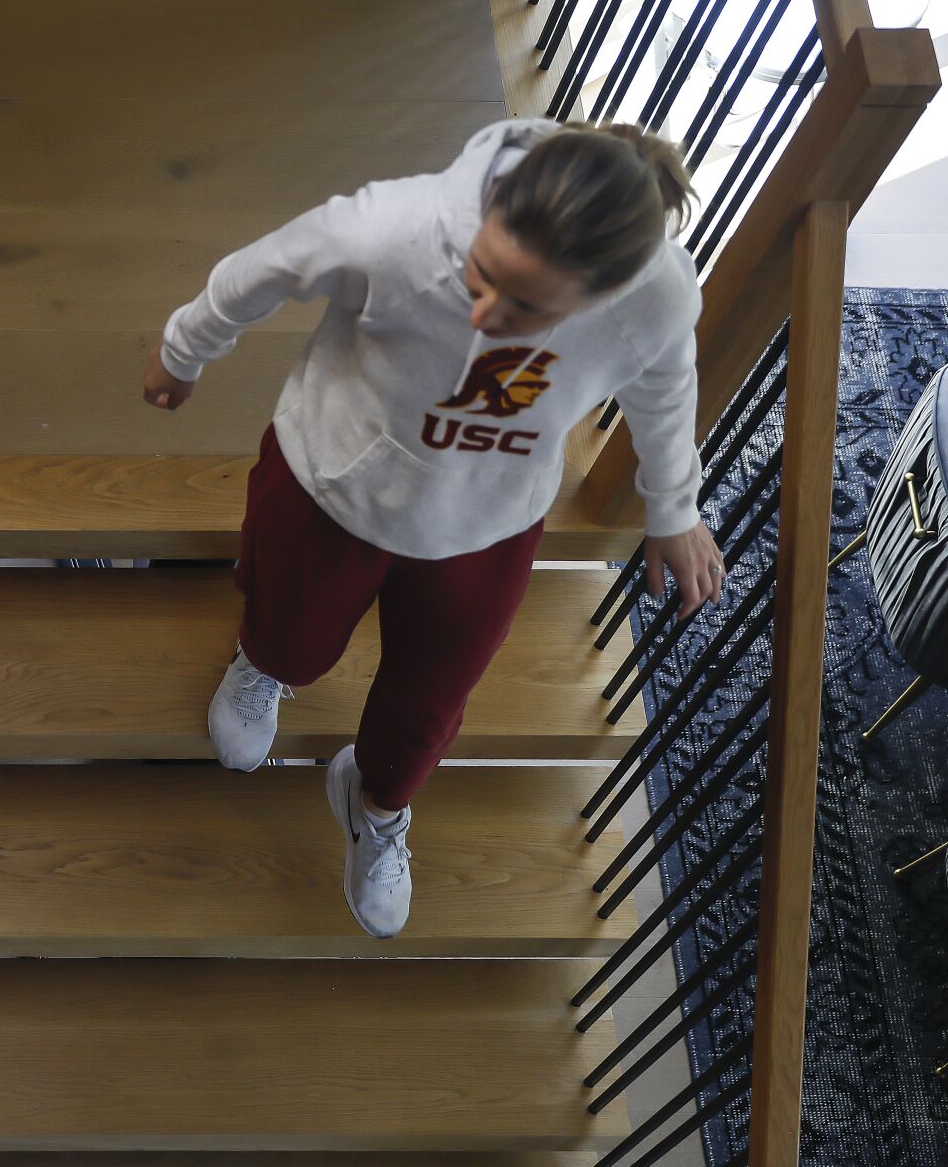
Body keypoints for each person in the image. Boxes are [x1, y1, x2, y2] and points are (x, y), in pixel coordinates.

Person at [143, 119, 724, 940]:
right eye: (481, 277)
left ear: (601, 294)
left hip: (486, 519)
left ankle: (374, 801)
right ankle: (262, 666)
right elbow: (263, 268)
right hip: (333, 480)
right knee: (289, 630)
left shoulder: (653, 299)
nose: (485, 314)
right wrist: (184, 348)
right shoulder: (396, 230)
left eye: (526, 307)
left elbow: (665, 389)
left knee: (430, 702)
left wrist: (673, 507)